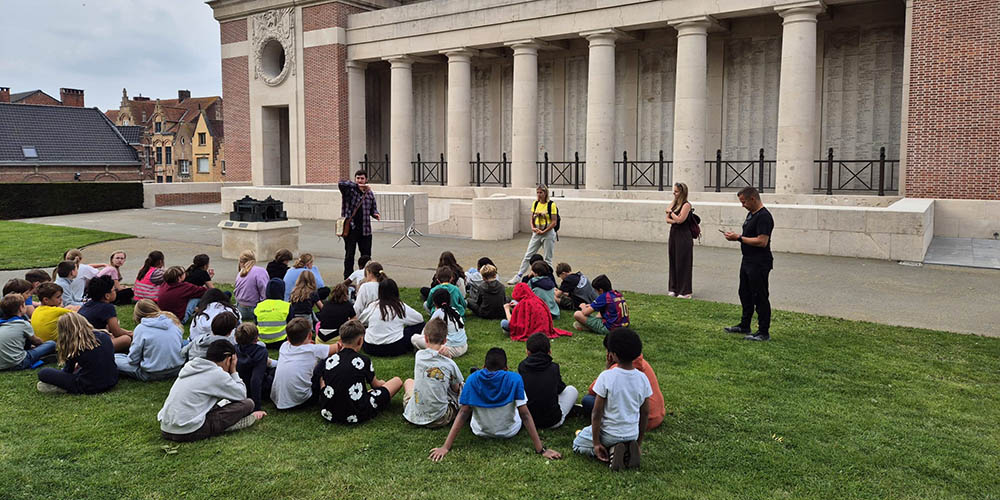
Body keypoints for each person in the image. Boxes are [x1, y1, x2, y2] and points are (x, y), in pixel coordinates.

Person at [428, 347, 561, 462]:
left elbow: (463, 413)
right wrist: (541, 450)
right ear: (506, 368)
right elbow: (525, 414)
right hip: (510, 431)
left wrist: (445, 447)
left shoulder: (472, 379)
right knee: (518, 404)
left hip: (480, 431)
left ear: (484, 367)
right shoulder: (515, 379)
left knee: (468, 401)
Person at [572, 327, 651, 470]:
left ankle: (612, 451)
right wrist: (638, 443)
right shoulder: (643, 378)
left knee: (578, 443)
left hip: (609, 434)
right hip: (632, 433)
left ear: (613, 355)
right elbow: (645, 412)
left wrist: (596, 443)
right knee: (624, 438)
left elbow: (596, 413)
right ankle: (628, 449)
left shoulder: (607, 376)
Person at [158, 339, 265, 442]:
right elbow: (242, 395)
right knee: (248, 404)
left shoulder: (191, 366)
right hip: (188, 431)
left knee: (222, 402)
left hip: (166, 428)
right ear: (229, 359)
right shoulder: (217, 373)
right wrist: (233, 371)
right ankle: (228, 425)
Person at [319, 319, 401, 425]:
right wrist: (384, 385)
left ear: (340, 339)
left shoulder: (329, 360)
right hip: (357, 413)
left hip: (329, 412)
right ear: (360, 341)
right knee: (397, 381)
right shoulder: (363, 360)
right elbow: (376, 385)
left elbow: (324, 381)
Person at [582, 334, 666, 431]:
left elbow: (593, 390)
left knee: (588, 400)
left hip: (637, 422)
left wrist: (607, 368)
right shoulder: (642, 364)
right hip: (656, 416)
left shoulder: (617, 369)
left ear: (613, 354)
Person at [723, 186, 774, 342]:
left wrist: (738, 238)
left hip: (759, 262)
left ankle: (763, 331)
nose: (742, 205)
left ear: (753, 198)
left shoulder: (764, 216)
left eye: (744, 202)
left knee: (760, 296)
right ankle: (745, 325)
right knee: (744, 293)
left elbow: (762, 241)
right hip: (747, 260)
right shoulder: (751, 215)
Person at [403, 318, 464, 428]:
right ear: (445, 341)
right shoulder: (450, 364)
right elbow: (456, 388)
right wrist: (449, 357)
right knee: (460, 387)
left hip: (414, 415)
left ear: (425, 338)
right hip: (440, 418)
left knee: (408, 382)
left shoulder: (419, 356)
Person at [36, 312, 118, 395]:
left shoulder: (75, 345)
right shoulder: (104, 336)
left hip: (88, 386)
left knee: (43, 373)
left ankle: (62, 388)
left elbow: (68, 371)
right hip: (112, 380)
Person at [271, 318, 339, 410]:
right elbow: (337, 347)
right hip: (302, 401)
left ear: (288, 338)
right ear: (310, 335)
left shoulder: (284, 346)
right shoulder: (313, 349)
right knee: (325, 360)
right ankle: (325, 389)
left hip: (278, 400)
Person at [518, 333, 578, 429]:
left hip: (527, 419)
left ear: (528, 352)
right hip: (552, 421)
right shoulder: (553, 367)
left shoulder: (522, 366)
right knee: (571, 390)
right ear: (549, 352)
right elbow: (561, 389)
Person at [115, 299, 184, 381]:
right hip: (176, 369)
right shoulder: (173, 322)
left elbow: (133, 360)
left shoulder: (141, 328)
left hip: (152, 373)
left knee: (114, 358)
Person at [358, 279, 425, 357]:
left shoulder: (373, 306)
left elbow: (361, 320)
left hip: (370, 347)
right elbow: (419, 319)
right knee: (421, 325)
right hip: (394, 347)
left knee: (364, 328)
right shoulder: (400, 307)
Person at [508, 185, 559, 284]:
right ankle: (519, 275)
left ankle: (548, 278)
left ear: (545, 193)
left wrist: (544, 231)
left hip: (547, 233)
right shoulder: (535, 203)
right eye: (538, 193)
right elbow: (531, 218)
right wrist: (533, 228)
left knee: (548, 257)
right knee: (528, 255)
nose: (539, 195)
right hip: (536, 232)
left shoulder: (551, 205)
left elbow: (554, 222)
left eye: (541, 193)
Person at [339, 170, 381, 280]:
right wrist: (357, 186)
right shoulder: (349, 190)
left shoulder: (369, 193)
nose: (360, 180)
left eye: (362, 178)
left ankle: (367, 275)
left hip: (365, 229)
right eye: (358, 178)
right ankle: (348, 278)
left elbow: (373, 208)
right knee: (349, 255)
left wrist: (375, 214)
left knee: (366, 256)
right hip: (351, 229)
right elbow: (341, 183)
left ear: (366, 179)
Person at [0, 294, 56, 371]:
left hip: (1, 366)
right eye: (25, 305)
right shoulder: (22, 324)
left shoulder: (2, 323)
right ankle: (43, 358)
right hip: (18, 363)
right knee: (51, 344)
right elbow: (37, 341)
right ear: (20, 308)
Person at [77, 276, 132, 353]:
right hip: (91, 348)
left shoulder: (88, 304)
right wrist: (131, 334)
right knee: (126, 339)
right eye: (114, 290)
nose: (115, 292)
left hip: (80, 343)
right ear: (107, 296)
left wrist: (129, 332)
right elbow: (117, 332)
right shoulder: (108, 307)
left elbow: (111, 329)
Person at [502, 283, 571, 341]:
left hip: (531, 330)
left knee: (504, 323)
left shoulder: (523, 304)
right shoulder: (537, 300)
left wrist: (507, 309)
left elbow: (512, 323)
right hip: (544, 329)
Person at [411, 288, 467, 358]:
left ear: (434, 302)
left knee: (415, 338)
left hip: (449, 349)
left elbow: (425, 332)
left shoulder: (438, 313)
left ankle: (439, 353)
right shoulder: (455, 310)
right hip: (464, 346)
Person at [235, 323, 274, 411]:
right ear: (256, 338)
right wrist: (256, 407)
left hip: (238, 389)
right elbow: (256, 379)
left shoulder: (234, 349)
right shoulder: (260, 352)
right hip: (256, 389)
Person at [666, 182, 694, 298]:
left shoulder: (686, 205)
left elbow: (680, 219)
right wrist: (674, 217)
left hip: (684, 235)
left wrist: (672, 214)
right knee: (673, 260)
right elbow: (668, 219)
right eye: (674, 191)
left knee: (683, 262)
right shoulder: (674, 203)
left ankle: (685, 291)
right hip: (674, 233)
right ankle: (673, 288)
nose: (674, 193)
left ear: (682, 192)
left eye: (676, 191)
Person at [234, 250, 269, 323]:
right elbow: (265, 292)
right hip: (254, 309)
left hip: (240, 308)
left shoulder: (240, 273)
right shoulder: (260, 271)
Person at [254, 279, 290, 348]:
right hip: (281, 341)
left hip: (262, 340)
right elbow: (291, 324)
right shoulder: (287, 306)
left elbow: (256, 323)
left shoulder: (259, 306)